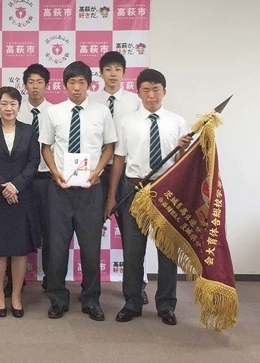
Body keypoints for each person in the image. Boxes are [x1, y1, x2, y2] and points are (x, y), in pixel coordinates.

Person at [104, 68, 192, 326]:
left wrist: (183, 149)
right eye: (146, 90)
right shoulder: (127, 122)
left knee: (167, 251)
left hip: (166, 191)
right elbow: (119, 159)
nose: (151, 95)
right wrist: (111, 196)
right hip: (134, 189)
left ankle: (166, 305)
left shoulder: (177, 122)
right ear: (139, 92)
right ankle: (132, 302)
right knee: (133, 250)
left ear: (165, 91)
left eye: (156, 90)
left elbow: (183, 163)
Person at [40, 61, 117, 321]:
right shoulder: (54, 112)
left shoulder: (101, 112)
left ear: (89, 85)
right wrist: (54, 171)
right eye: (71, 82)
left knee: (90, 248)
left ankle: (91, 299)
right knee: (57, 248)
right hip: (60, 190)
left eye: (81, 82)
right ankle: (57, 298)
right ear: (65, 85)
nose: (76, 87)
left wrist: (98, 172)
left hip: (90, 190)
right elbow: (46, 146)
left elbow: (109, 146)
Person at [90, 51, 147, 304]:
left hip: (128, 173)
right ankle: (91, 289)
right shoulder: (92, 101)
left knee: (132, 234)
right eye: (108, 69)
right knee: (91, 230)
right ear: (100, 73)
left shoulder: (135, 102)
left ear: (124, 73)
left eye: (117, 69)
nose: (113, 74)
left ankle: (138, 285)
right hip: (97, 171)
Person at [0, 86, 41, 318]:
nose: (8, 108)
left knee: (19, 251)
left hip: (21, 198)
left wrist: (15, 186)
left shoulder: (29, 130)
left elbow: (33, 162)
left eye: (13, 103)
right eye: (4, 103)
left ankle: (15, 296)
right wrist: (4, 186)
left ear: (19, 106)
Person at [16, 63, 54, 293]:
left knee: (50, 230)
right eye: (31, 82)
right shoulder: (15, 111)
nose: (35, 86)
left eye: (40, 82)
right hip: (21, 180)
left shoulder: (56, 112)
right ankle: (15, 279)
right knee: (18, 227)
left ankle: (51, 278)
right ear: (24, 85)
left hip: (48, 178)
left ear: (47, 85)